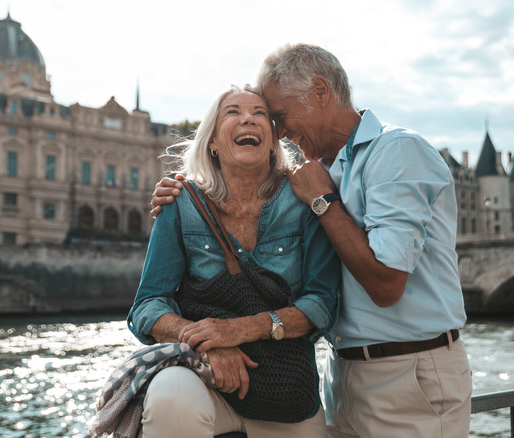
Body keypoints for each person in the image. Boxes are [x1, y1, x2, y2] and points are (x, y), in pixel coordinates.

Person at [151, 44, 471, 438]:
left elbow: (386, 284)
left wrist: (323, 201)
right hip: (342, 375)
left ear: (320, 92)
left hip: (411, 373)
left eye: (277, 116)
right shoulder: (319, 170)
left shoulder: (397, 151)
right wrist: (180, 193)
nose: (279, 131)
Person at [129, 85, 340, 438]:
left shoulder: (305, 199)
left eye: (259, 113)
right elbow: (147, 305)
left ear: (273, 141)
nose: (248, 118)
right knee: (170, 398)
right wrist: (202, 345)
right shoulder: (181, 201)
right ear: (212, 141)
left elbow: (322, 304)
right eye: (233, 112)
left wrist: (237, 331)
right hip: (203, 378)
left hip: (287, 388)